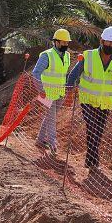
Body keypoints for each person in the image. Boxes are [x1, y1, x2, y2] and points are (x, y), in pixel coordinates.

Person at [67, 26, 112, 172]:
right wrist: (68, 90)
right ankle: (94, 163)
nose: (110, 45)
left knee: (98, 131)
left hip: (105, 104)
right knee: (92, 128)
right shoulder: (88, 56)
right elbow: (73, 74)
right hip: (87, 100)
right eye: (107, 42)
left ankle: (90, 161)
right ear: (101, 40)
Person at [32, 28, 73, 156]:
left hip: (60, 92)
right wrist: (41, 90)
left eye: (67, 42)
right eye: (63, 42)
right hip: (46, 93)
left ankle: (39, 140)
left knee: (51, 117)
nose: (66, 45)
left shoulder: (67, 55)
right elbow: (35, 73)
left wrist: (67, 89)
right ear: (56, 42)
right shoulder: (47, 55)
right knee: (52, 119)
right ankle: (53, 144)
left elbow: (63, 74)